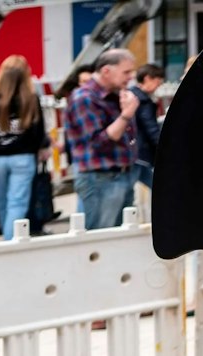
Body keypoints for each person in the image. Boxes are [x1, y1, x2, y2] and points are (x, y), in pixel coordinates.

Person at [63, 48, 143, 230]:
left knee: (117, 237)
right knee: (100, 237)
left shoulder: (115, 95)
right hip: (101, 177)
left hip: (122, 173)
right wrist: (126, 114)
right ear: (106, 71)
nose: (130, 77)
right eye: (126, 72)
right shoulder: (85, 98)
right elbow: (99, 142)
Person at [0, 54, 49, 240]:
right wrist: (37, 150)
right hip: (23, 157)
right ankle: (11, 239)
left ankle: (6, 236)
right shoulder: (30, 100)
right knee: (18, 202)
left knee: (2, 203)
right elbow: (38, 132)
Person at [128, 63, 166, 188]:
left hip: (133, 151)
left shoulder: (130, 95)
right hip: (141, 152)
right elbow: (151, 128)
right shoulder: (143, 101)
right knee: (158, 186)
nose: (158, 86)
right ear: (147, 78)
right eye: (157, 81)